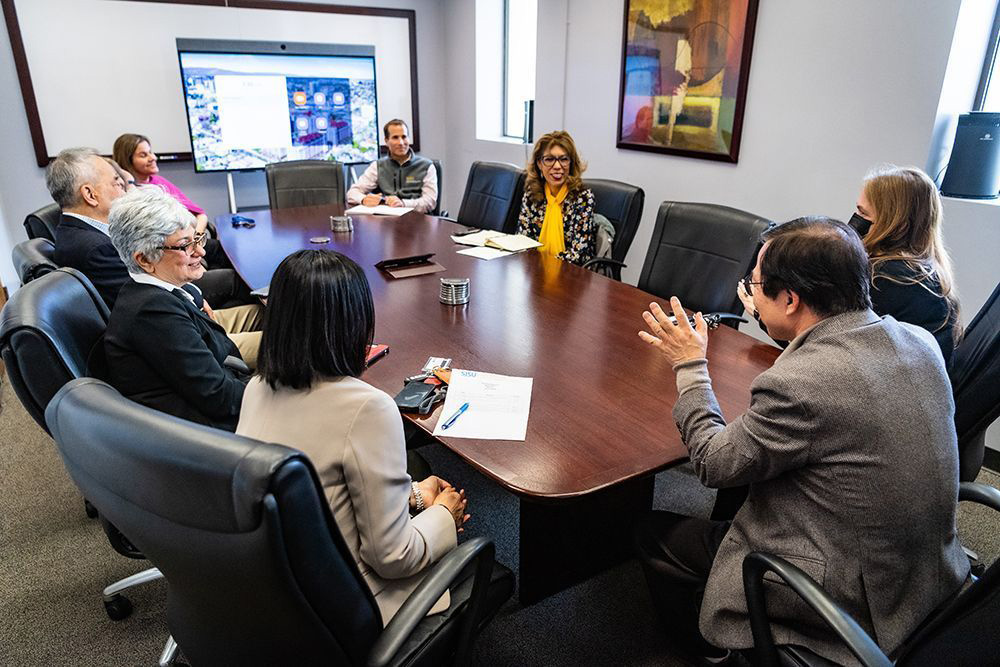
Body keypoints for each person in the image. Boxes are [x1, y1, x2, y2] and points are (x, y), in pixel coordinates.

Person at [634, 217, 969, 664]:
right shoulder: (918, 342)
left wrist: (690, 365)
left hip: (849, 593)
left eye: (755, 284)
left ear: (791, 299)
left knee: (649, 531)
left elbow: (713, 465)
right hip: (928, 573)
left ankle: (707, 650)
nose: (750, 293)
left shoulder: (801, 385)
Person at [236, 249, 468, 624]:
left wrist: (411, 497)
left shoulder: (256, 388)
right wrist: (444, 515)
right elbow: (393, 558)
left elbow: (322, 495)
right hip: (346, 605)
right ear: (355, 323)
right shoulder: (368, 409)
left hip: (282, 588)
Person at [104, 187, 260, 430]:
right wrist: (276, 397)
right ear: (145, 259)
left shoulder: (158, 289)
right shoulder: (152, 313)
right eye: (186, 246)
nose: (201, 251)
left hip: (224, 381)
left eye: (197, 239)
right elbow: (219, 397)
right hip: (213, 431)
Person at [47, 147, 250, 310]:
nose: (126, 190)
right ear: (90, 195)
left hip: (172, 299)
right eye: (118, 183)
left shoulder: (79, 232)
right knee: (238, 282)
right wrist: (195, 298)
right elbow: (147, 296)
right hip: (168, 317)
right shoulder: (95, 249)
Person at [851, 164, 961, 365]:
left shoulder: (887, 278)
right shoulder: (923, 271)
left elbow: (827, 339)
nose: (856, 222)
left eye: (864, 214)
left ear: (896, 224)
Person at [112, 132, 236, 275]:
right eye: (143, 155)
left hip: (188, 242)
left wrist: (195, 241)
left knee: (225, 250)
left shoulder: (158, 181)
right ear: (127, 160)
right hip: (172, 252)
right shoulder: (129, 195)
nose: (153, 158)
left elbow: (200, 215)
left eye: (151, 152)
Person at [516, 130, 596, 265]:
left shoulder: (583, 198)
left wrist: (546, 266)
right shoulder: (532, 195)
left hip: (572, 275)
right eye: (549, 159)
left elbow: (578, 255)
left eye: (564, 159)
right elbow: (523, 242)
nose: (557, 166)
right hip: (534, 270)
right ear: (539, 164)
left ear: (571, 163)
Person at [346, 119, 438, 214]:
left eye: (404, 137)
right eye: (395, 137)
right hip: (387, 221)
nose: (401, 143)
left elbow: (430, 202)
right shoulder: (378, 166)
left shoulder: (426, 166)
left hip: (418, 220)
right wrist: (364, 199)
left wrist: (403, 203)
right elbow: (352, 193)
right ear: (386, 141)